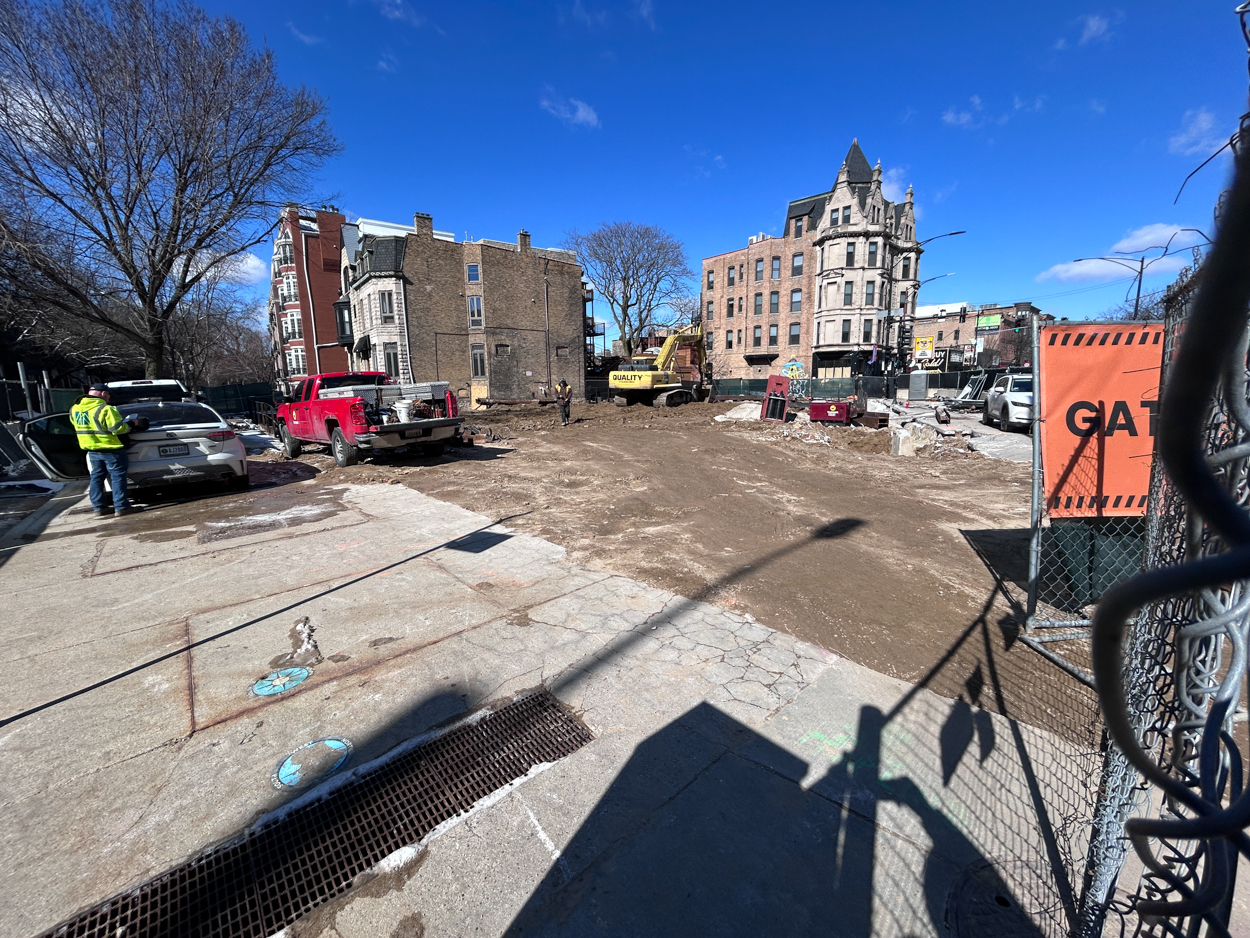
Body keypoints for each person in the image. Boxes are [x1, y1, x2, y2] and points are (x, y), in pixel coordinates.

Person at [70, 384, 136, 516]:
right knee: (117, 478)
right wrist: (131, 424)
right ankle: (121, 506)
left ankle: (99, 508)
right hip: (111, 449)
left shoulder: (75, 409)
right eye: (109, 395)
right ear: (103, 393)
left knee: (96, 478)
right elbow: (117, 428)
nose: (109, 398)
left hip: (92, 450)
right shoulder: (106, 409)